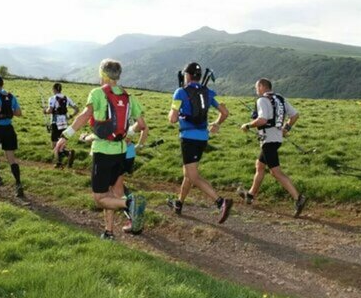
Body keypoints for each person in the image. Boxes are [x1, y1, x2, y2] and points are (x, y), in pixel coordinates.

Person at [54, 59, 147, 239]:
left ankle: (130, 204)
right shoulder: (129, 97)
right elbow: (142, 124)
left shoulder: (97, 93)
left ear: (103, 75)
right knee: (112, 194)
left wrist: (66, 135)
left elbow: (85, 115)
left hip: (103, 152)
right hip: (121, 151)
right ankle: (109, 232)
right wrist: (126, 134)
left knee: (99, 198)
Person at [167, 62, 233, 223]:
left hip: (188, 138)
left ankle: (220, 202)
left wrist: (173, 112)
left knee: (193, 176)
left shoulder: (180, 92)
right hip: (203, 138)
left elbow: (173, 119)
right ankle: (179, 203)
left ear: (187, 76)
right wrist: (216, 124)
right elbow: (224, 112)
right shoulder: (208, 92)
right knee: (188, 174)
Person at [237, 78, 307, 217]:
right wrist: (286, 129)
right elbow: (295, 115)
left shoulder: (262, 100)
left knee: (276, 172)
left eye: (257, 87)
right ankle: (250, 195)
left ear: (262, 86)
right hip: (277, 139)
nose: (256, 90)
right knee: (260, 166)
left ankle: (298, 198)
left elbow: (262, 120)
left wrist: (248, 125)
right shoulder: (280, 98)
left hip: (268, 140)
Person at [44, 82, 79, 167]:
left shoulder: (52, 98)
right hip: (64, 123)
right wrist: (70, 116)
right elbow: (77, 109)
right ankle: (67, 154)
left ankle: (60, 161)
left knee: (54, 143)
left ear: (54, 89)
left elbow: (50, 110)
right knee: (62, 142)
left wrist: (45, 111)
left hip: (55, 123)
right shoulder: (67, 98)